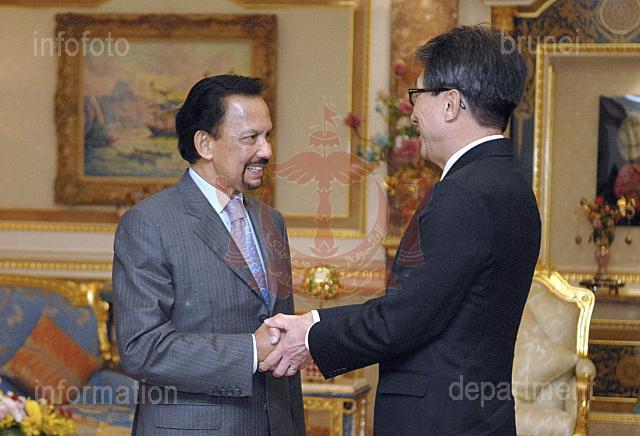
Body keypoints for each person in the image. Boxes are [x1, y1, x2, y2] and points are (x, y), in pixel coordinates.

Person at [260, 26, 541, 435]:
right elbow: (426, 306)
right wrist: (314, 323)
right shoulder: (511, 185)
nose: (412, 114)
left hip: (438, 423)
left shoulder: (463, 194)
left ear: (450, 104)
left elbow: (403, 319)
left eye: (418, 95)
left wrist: (310, 334)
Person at [112, 75, 305, 436]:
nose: (266, 151)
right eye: (250, 138)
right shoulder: (149, 223)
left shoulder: (271, 221)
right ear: (205, 144)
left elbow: (280, 340)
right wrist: (250, 350)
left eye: (268, 135)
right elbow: (142, 348)